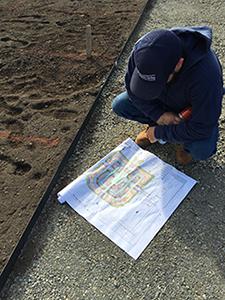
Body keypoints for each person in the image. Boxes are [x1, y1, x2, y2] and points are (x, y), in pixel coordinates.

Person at [112, 26, 224, 164]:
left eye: (159, 82)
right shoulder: (143, 50)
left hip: (189, 113)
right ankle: (156, 129)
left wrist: (159, 133)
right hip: (162, 104)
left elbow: (202, 127)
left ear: (178, 64)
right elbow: (132, 90)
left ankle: (184, 146)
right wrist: (158, 115)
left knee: (202, 148)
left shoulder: (206, 76)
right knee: (120, 104)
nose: (151, 88)